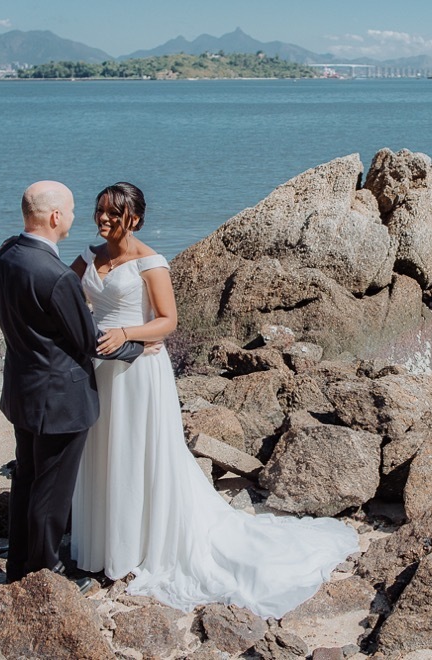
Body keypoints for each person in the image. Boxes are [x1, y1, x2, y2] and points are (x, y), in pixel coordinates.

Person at [69, 182, 359, 619]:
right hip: (99, 371)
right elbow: (65, 303)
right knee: (102, 452)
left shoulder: (150, 262)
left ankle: (139, 546)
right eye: (100, 211)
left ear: (135, 218)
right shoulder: (87, 260)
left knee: (136, 453)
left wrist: (127, 333)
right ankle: (106, 542)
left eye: (113, 213)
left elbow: (167, 321)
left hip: (139, 372)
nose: (104, 219)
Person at [0, 180, 145, 586]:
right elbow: (88, 341)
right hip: (60, 399)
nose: (79, 218)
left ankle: (17, 566)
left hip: (22, 390)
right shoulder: (56, 276)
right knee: (52, 492)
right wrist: (137, 348)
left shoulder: (6, 255)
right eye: (74, 211)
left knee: (25, 479)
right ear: (56, 217)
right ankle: (44, 571)